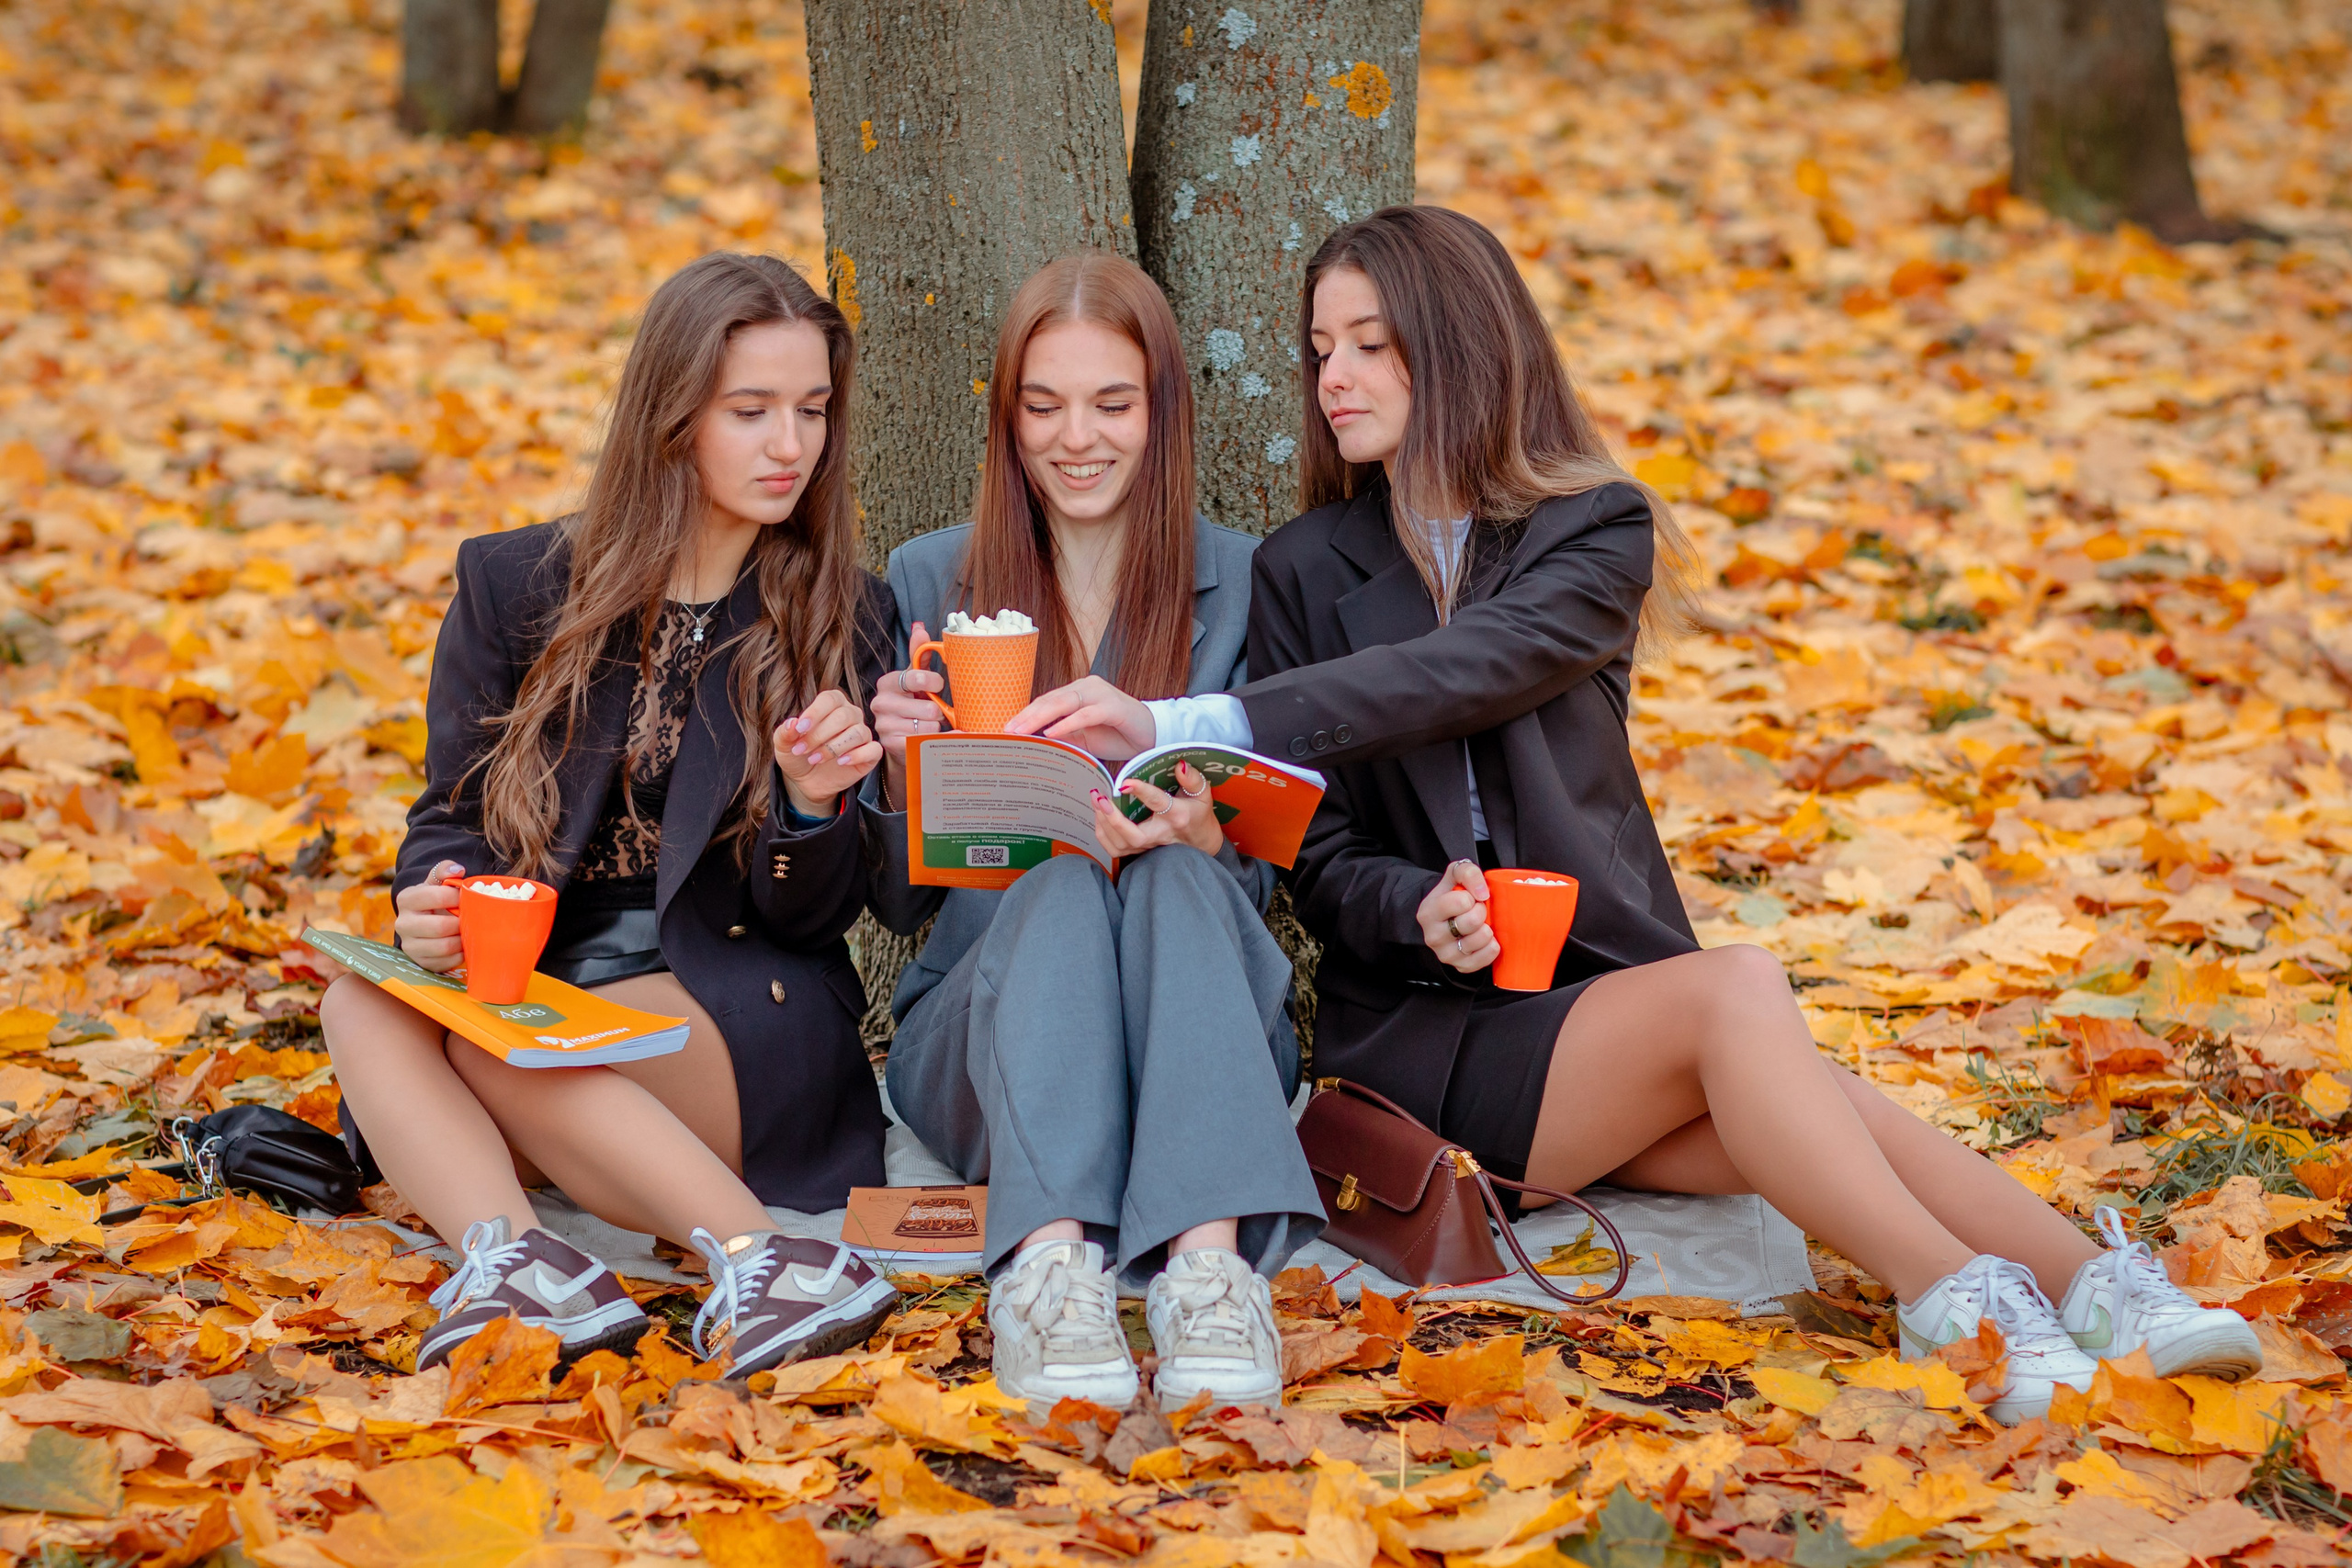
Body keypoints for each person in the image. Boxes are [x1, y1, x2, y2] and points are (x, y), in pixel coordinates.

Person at [1010, 207, 2261, 1422]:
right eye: (1323, 346)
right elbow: (1319, 857)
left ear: (1461, 344)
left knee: (1809, 1091)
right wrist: (1415, 907)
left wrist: (1198, 716)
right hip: (1428, 1045)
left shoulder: (1592, 531)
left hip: (1602, 1001)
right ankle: (1961, 1296)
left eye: (1372, 342)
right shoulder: (1306, 565)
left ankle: (2093, 1288)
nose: (1336, 373)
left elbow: (1474, 663)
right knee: (1740, 993)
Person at [322, 254, 902, 1376]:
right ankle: (523, 1267)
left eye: (812, 410)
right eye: (752, 411)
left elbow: (839, 916)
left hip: (731, 1022)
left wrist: (813, 804)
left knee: (499, 1043)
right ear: (672, 414)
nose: (791, 445)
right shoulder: (516, 584)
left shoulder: (841, 616)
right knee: (363, 999)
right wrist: (430, 903)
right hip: (532, 994)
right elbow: (451, 813)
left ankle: (768, 1258)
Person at [862, 252, 1322, 1408]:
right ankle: (1048, 1267)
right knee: (1061, 882)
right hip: (987, 1030)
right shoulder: (927, 580)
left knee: (1172, 881)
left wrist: (1204, 839)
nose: (1078, 438)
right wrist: (899, 774)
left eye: (1113, 404)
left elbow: (1262, 884)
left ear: (1161, 413)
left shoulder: (1246, 582)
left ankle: (1207, 1275)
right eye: (1044, 405)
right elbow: (892, 903)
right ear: (1007, 420)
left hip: (1195, 1032)